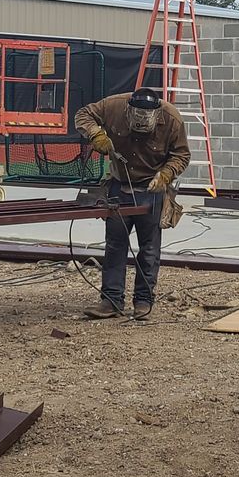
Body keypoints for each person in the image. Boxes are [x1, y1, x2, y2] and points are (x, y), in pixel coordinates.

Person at [74, 86, 190, 320]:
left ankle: (143, 301)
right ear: (129, 110)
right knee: (115, 245)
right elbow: (82, 114)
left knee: (149, 249)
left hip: (152, 187)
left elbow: (181, 155)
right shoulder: (114, 106)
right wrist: (96, 134)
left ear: (156, 115)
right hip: (119, 186)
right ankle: (111, 301)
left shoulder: (171, 119)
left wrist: (166, 175)